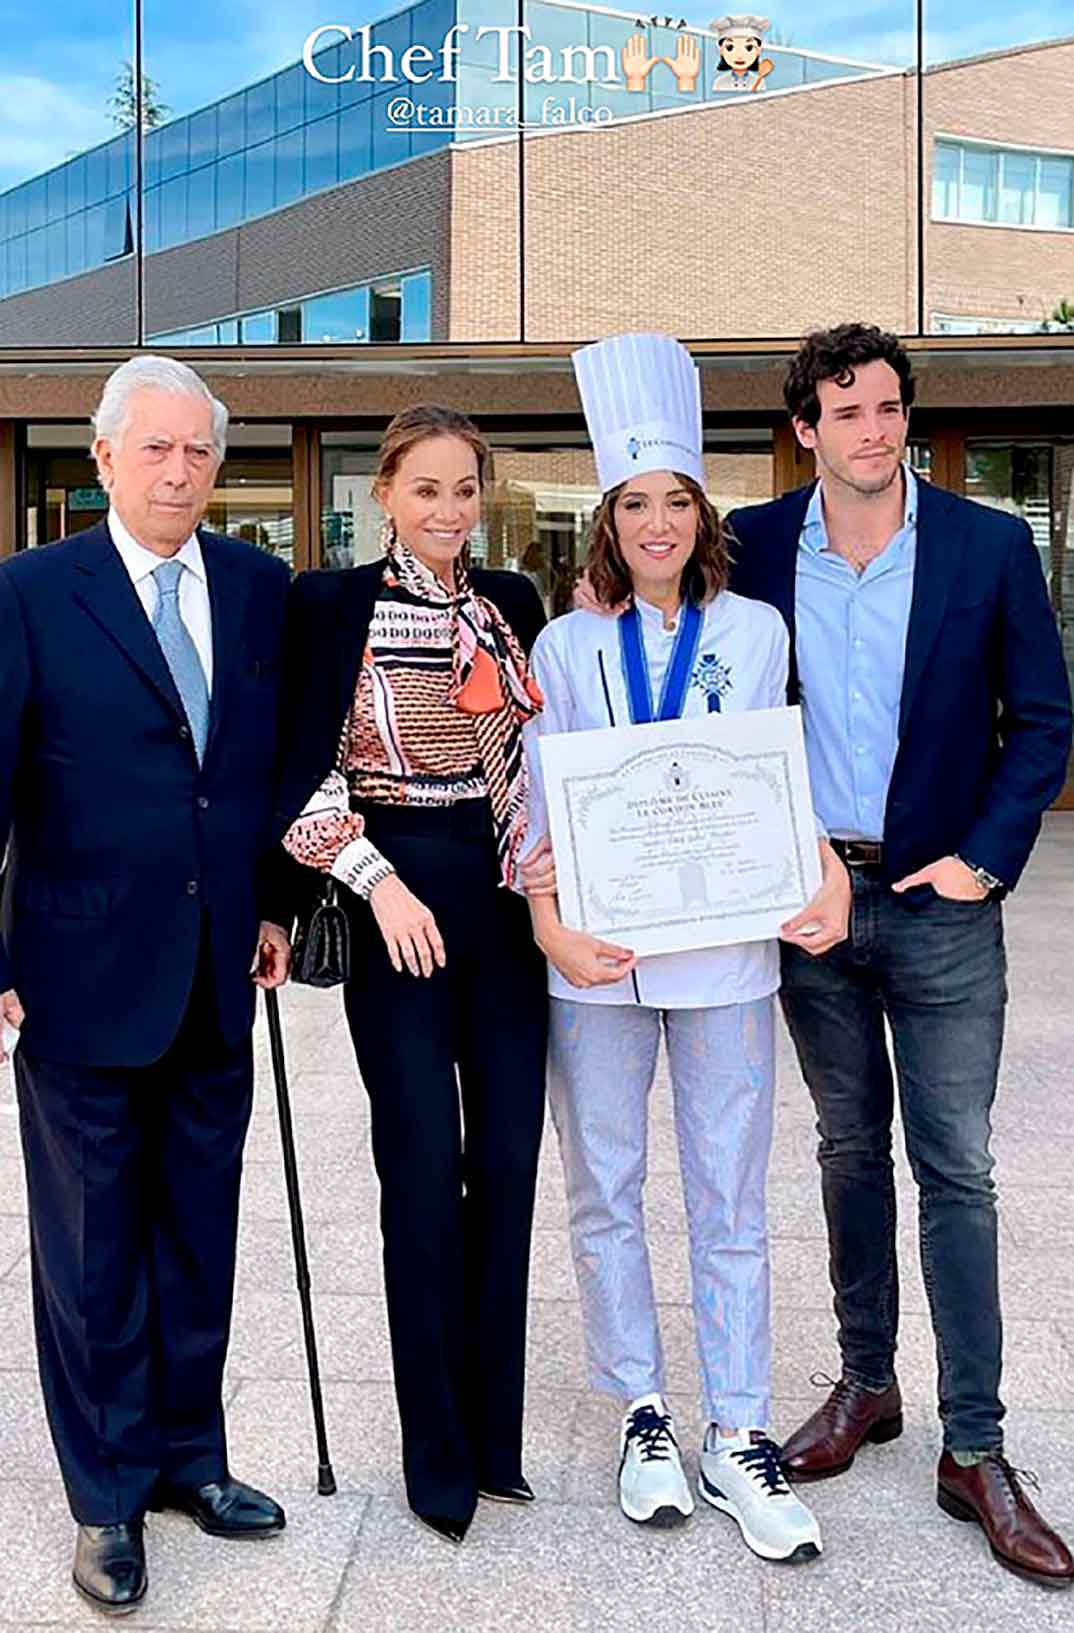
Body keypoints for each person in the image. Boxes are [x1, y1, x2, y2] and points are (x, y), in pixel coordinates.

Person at [727, 323, 1074, 1589]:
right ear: (805, 428)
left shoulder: (987, 544)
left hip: (941, 904)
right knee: (843, 1150)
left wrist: (983, 857)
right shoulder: (752, 547)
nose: (876, 430)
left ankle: (975, 1447)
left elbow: (1042, 718)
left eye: (890, 408)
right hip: (812, 903)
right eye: (849, 411)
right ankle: (868, 1385)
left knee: (960, 1170)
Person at [521, 332, 849, 1564]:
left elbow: (780, 777)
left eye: (675, 502)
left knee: (729, 1192)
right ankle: (644, 1412)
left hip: (723, 954)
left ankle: (741, 1430)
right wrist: (550, 919)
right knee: (604, 1185)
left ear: (700, 514)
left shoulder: (757, 630)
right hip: (597, 962)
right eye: (634, 504)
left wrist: (818, 868)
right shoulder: (562, 648)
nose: (656, 522)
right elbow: (540, 812)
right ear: (606, 519)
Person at [0, 356, 292, 1617]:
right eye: (156, 450)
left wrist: (275, 901)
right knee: (90, 1249)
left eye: (199, 452)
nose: (179, 471)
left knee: (197, 1234)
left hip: (216, 971)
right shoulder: (29, 593)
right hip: (74, 974)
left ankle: (188, 1458)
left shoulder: (257, 585)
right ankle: (106, 1495)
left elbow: (265, 768)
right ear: (106, 457)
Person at [274, 404, 548, 1546]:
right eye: (426, 488)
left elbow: (538, 755)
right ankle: (434, 1450)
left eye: (465, 489)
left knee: (511, 1164)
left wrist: (541, 878)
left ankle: (497, 1439)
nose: (448, 510)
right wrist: (380, 886)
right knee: (424, 1172)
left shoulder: (514, 605)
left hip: (501, 901)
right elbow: (297, 775)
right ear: (383, 492)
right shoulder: (331, 606)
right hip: (392, 886)